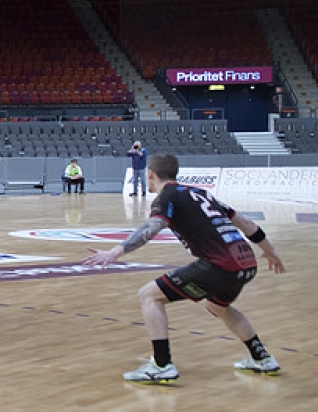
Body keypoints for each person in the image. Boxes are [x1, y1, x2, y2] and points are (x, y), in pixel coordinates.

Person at [82, 153, 285, 383]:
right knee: (218, 306)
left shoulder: (167, 196)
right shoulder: (201, 193)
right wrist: (270, 251)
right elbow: (246, 224)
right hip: (246, 263)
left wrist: (114, 253)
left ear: (150, 174)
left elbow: (152, 228)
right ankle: (262, 358)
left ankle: (161, 365)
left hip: (220, 265)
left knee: (149, 295)